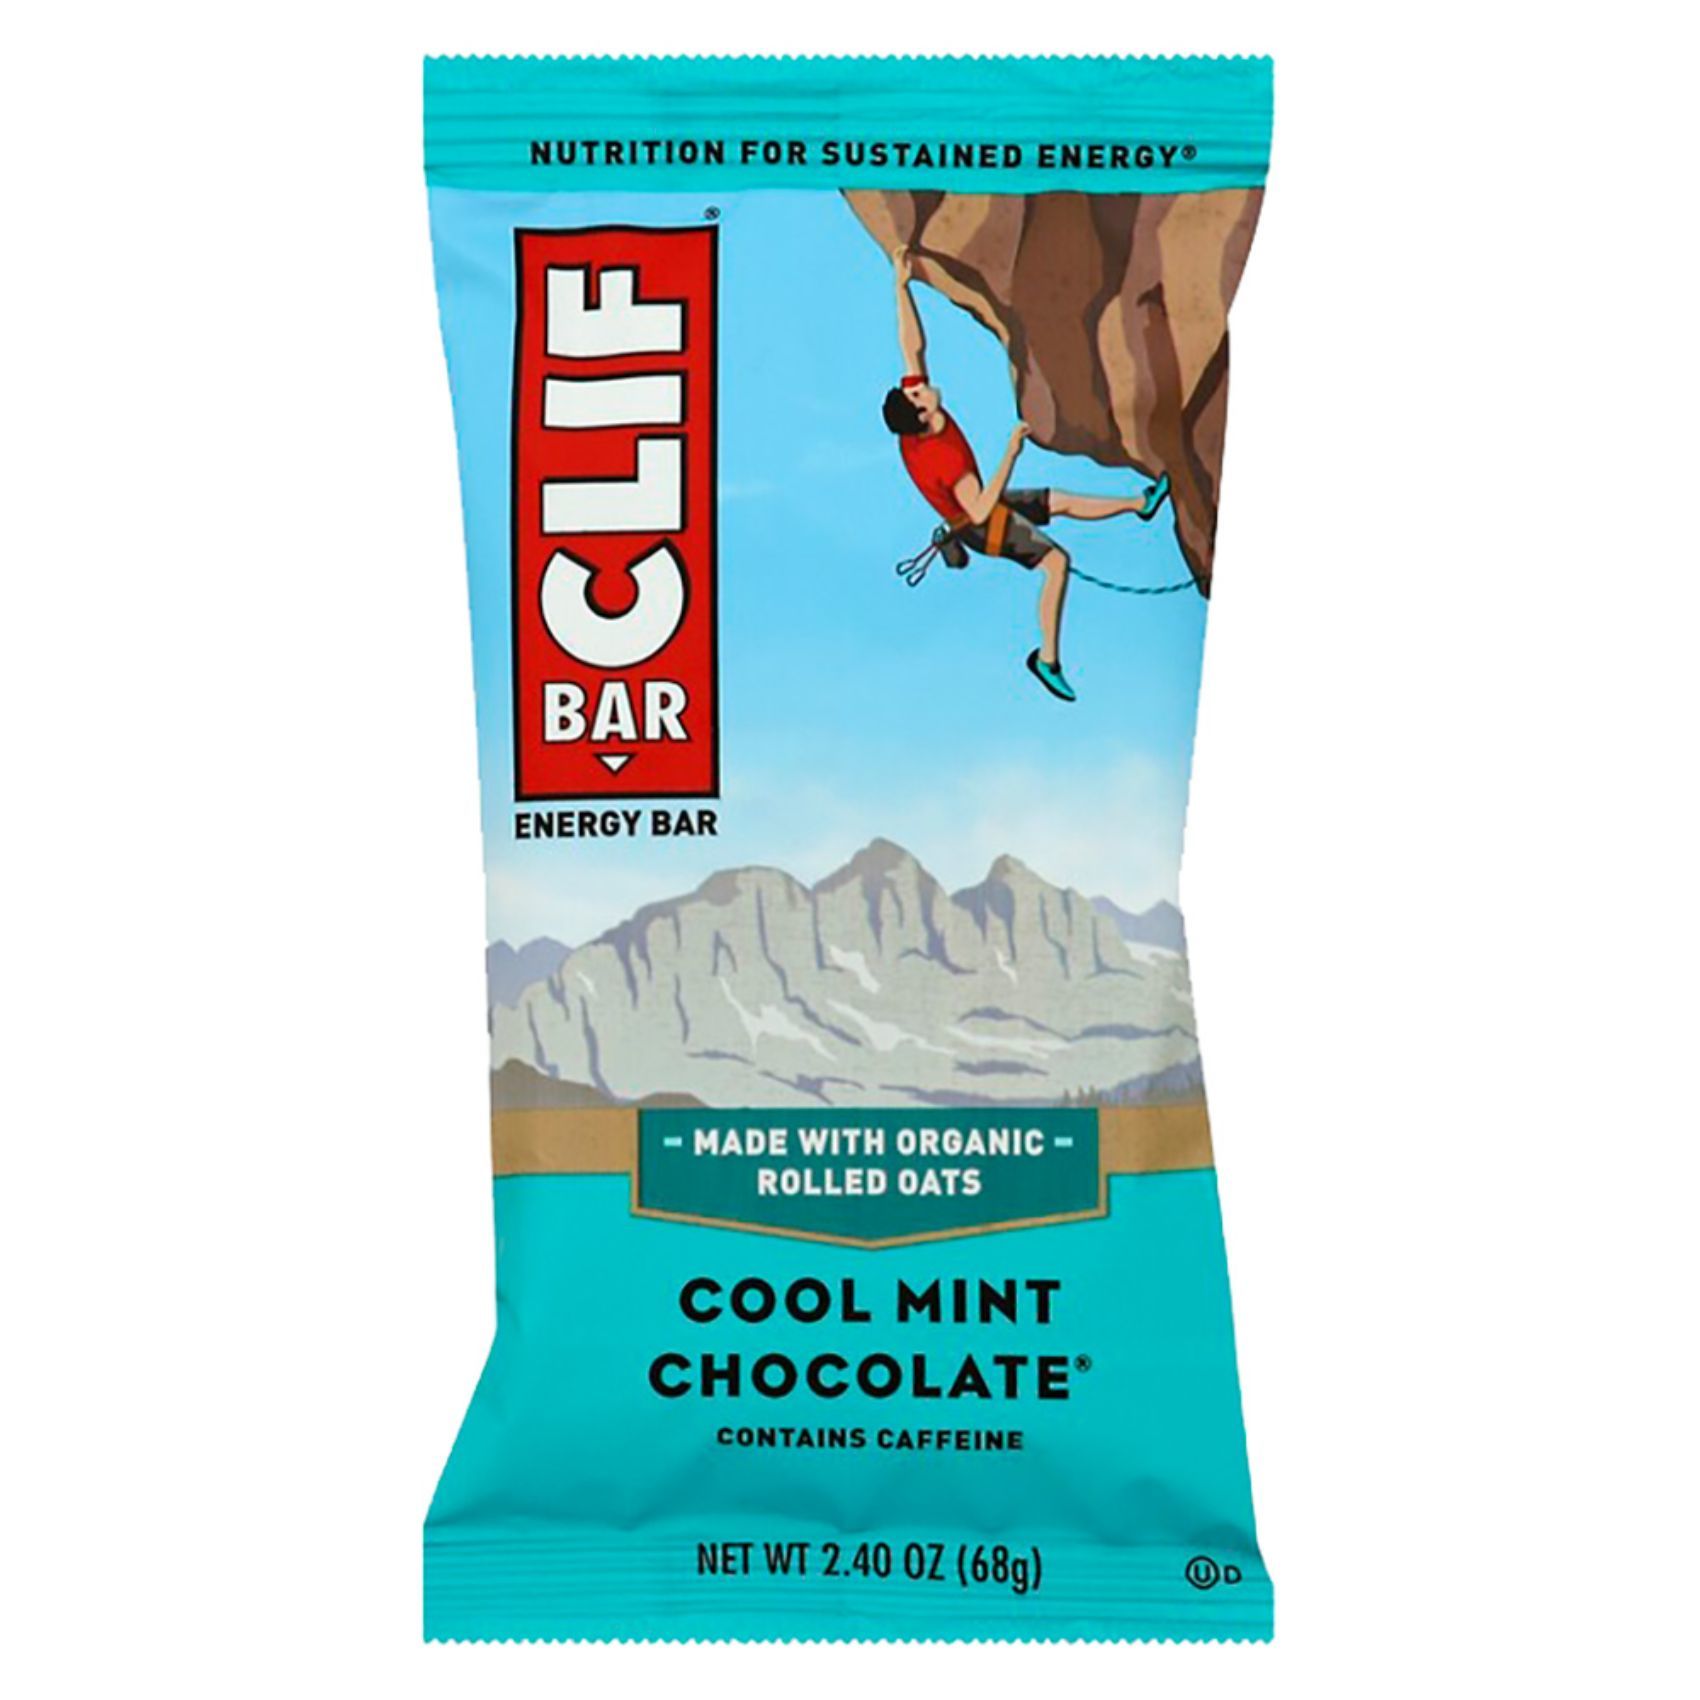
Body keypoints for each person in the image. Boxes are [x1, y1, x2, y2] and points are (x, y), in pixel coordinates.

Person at [883, 247, 1172, 703]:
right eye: (917, 396)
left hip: (976, 506)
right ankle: (1047, 660)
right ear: (920, 417)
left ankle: (1141, 504)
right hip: (978, 523)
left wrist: (901, 287)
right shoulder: (943, 461)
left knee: (1060, 501)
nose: (919, 387)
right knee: (1056, 563)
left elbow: (911, 348)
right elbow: (980, 508)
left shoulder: (918, 414)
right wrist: (1011, 452)